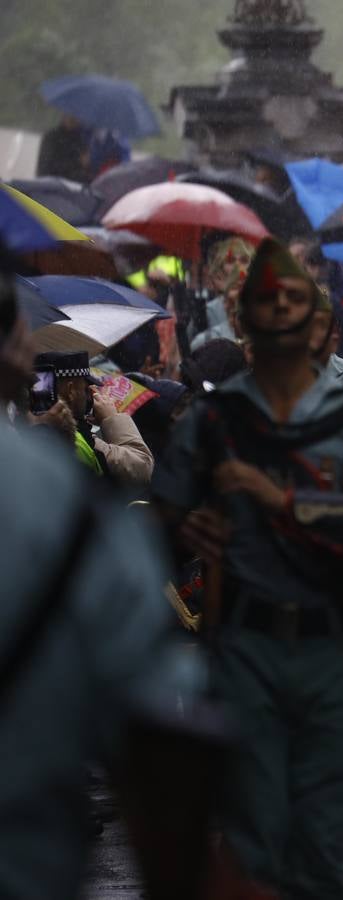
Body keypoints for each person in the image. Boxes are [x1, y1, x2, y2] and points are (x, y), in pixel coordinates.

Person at [150, 238, 343, 898]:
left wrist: (290, 504)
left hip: (340, 640)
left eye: (295, 309)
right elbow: (162, 517)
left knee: (342, 821)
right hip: (245, 644)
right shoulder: (216, 417)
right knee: (253, 826)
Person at [0, 267, 221, 899]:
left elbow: (140, 466)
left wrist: (88, 435)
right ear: (19, 356)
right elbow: (150, 716)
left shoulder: (107, 394)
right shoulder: (48, 494)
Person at [30, 350, 154, 484]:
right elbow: (141, 467)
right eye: (85, 388)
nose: (89, 395)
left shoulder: (24, 429)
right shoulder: (76, 439)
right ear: (71, 391)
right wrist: (112, 418)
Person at [36, 114, 89, 182]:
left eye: (76, 117)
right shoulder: (52, 137)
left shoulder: (80, 139)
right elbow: (47, 165)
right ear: (63, 116)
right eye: (70, 116)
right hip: (50, 183)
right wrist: (78, 161)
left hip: (72, 186)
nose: (73, 120)